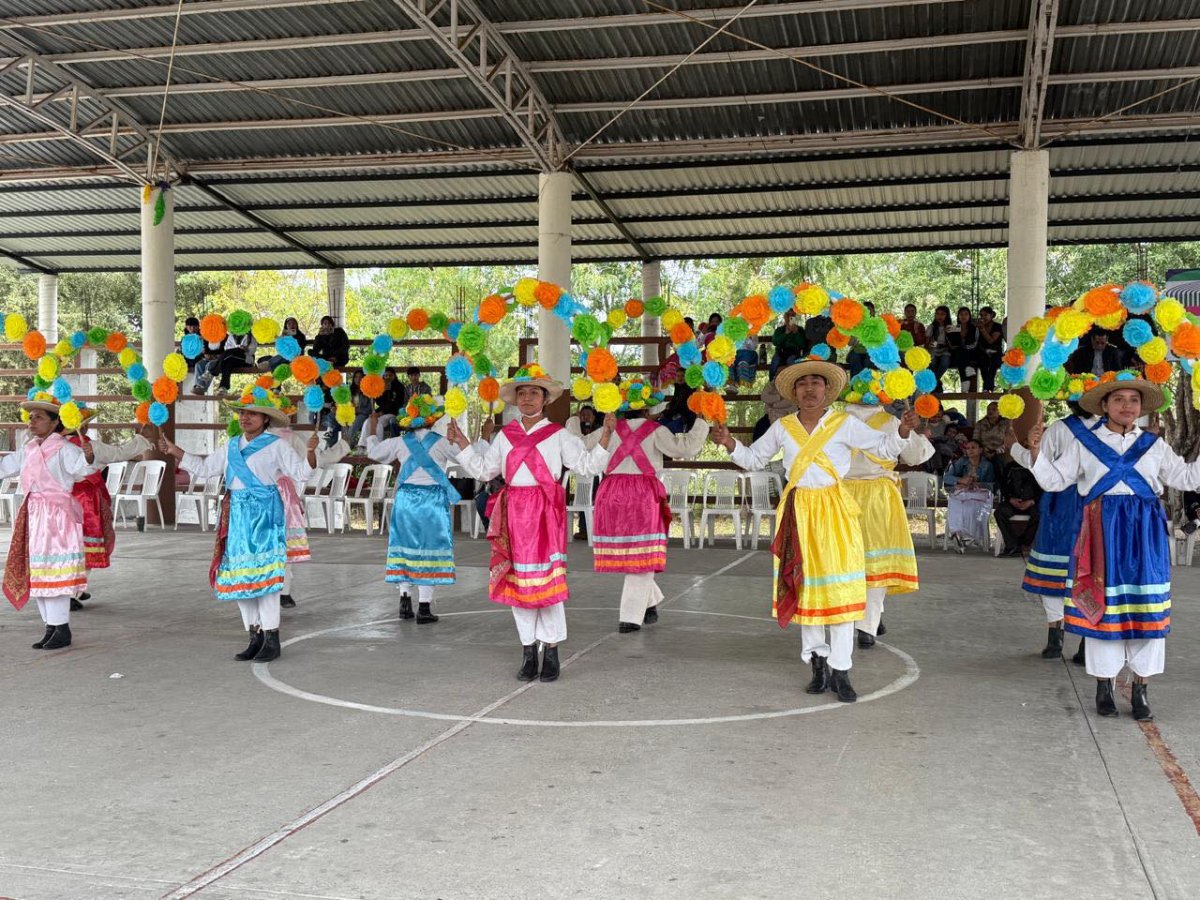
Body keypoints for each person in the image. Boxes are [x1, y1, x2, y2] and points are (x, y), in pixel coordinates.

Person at [712, 359, 921, 703]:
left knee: (840, 588)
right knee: (806, 588)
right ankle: (817, 663)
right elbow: (753, 459)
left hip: (836, 511)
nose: (809, 389)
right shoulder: (783, 426)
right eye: (803, 384)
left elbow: (883, 449)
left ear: (827, 390)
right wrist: (729, 442)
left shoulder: (844, 423)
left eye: (816, 383)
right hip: (798, 513)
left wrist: (901, 431)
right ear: (794, 392)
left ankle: (842, 670)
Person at [1018, 376, 1200, 720]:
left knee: (1146, 609)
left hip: (1145, 536)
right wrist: (1036, 452)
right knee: (1102, 608)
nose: (1127, 406)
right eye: (1119, 399)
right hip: (1101, 533)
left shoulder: (1153, 445)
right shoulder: (1084, 442)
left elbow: (1189, 478)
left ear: (1141, 407)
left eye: (1134, 400)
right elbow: (1055, 481)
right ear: (1104, 405)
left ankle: (1141, 690)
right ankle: (1104, 686)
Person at [446, 364, 613, 683]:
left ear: (545, 398)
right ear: (515, 399)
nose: (527, 398)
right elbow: (484, 471)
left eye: (534, 392)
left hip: (544, 515)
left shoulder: (560, 435)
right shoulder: (505, 436)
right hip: (513, 515)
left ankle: (551, 650)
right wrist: (464, 442)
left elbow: (586, 467)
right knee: (519, 583)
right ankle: (527, 650)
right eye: (522, 393)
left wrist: (605, 437)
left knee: (545, 584)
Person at [159, 389, 315, 662]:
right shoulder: (231, 445)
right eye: (242, 412)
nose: (245, 417)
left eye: (252, 413)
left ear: (265, 419)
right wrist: (174, 451)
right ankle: (254, 634)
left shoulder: (276, 445)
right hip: (237, 515)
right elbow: (206, 468)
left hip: (265, 515)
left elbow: (301, 472)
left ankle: (271, 637)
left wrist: (311, 453)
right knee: (240, 576)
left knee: (266, 578)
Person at [582, 381, 708, 632]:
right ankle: (630, 617)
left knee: (634, 553)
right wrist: (702, 421)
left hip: (611, 495)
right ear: (647, 409)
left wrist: (576, 421)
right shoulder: (656, 430)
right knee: (643, 553)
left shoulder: (609, 429)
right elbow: (684, 448)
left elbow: (583, 445)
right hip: (642, 496)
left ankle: (649, 602)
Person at [1008, 400, 1100, 662]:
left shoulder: (1061, 429)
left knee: (1055, 576)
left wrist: (1013, 446)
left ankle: (1055, 639)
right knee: (1089, 575)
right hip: (1093, 505)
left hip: (1062, 504)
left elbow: (1034, 461)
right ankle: (1086, 643)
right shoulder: (1109, 430)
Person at [2, 396, 96, 651]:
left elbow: (82, 469)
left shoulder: (64, 448)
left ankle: (61, 627)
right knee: (39, 570)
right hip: (35, 514)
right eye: (31, 417)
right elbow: (6, 466)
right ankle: (50, 627)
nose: (32, 421)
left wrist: (88, 457)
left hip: (57, 517)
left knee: (55, 569)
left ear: (55, 422)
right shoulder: (29, 449)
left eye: (39, 417)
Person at [842, 396, 934, 648]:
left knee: (846, 561)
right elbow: (917, 456)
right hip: (878, 497)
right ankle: (868, 626)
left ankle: (860, 618)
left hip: (841, 497)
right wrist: (921, 435)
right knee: (877, 562)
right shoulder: (890, 422)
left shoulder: (836, 421)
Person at [365, 396, 459, 626]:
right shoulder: (442, 442)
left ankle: (404, 600)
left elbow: (374, 453)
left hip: (406, 498)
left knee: (404, 547)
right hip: (432, 500)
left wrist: (372, 428)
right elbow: (466, 458)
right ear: (432, 420)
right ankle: (424, 607)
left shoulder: (399, 441)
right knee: (429, 549)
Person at [66, 408, 154, 610]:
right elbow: (120, 453)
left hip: (60, 502)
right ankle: (73, 590)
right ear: (84, 425)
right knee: (87, 547)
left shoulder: (54, 446)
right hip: (86, 502)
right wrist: (141, 438)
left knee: (67, 546)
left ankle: (70, 588)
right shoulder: (91, 446)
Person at [271, 405, 349, 610]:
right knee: (283, 546)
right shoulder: (290, 438)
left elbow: (311, 461)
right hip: (282, 497)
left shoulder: (286, 439)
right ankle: (283, 592)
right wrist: (342, 446)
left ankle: (276, 590)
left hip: (270, 498)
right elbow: (316, 460)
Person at [943, 438, 995, 552]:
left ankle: (966, 537)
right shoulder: (962, 462)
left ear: (980, 450)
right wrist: (960, 480)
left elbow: (992, 485)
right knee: (954, 500)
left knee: (972, 508)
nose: (970, 450)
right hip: (965, 493)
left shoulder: (987, 465)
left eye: (973, 448)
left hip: (981, 495)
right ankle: (958, 534)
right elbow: (946, 478)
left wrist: (978, 484)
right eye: (968, 448)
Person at [994, 461, 1042, 558]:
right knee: (1000, 512)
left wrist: (1032, 501)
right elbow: (1003, 486)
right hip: (1013, 502)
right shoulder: (1011, 466)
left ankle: (1023, 542)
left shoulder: (1040, 465)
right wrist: (1010, 499)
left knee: (1039, 515)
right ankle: (1012, 546)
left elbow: (1045, 488)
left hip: (1032, 502)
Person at [194, 331, 257, 395]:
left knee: (232, 353)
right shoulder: (231, 336)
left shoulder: (250, 336)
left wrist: (245, 349)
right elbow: (226, 348)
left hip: (245, 359)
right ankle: (223, 388)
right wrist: (236, 349)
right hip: (231, 359)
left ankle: (212, 372)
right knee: (227, 363)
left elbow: (253, 350)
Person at [947, 306, 978, 391]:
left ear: (969, 316)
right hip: (957, 354)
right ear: (958, 316)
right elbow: (952, 345)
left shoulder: (974, 328)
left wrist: (964, 346)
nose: (963, 316)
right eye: (961, 314)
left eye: (966, 314)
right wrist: (948, 333)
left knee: (962, 352)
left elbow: (975, 343)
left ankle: (964, 381)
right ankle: (967, 373)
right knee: (959, 352)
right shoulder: (954, 328)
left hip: (971, 352)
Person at [770, 309, 807, 377]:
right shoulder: (779, 330)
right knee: (775, 361)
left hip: (794, 353)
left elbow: (803, 344)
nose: (790, 317)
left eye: (792, 315)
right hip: (780, 353)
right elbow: (775, 342)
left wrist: (796, 333)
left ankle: (791, 381)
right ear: (785, 317)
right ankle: (772, 381)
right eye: (788, 315)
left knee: (791, 361)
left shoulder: (800, 330)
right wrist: (785, 334)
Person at [976, 306, 1005, 392]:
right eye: (981, 315)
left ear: (991, 315)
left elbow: (991, 340)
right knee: (983, 364)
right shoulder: (978, 328)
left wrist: (983, 330)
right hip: (983, 351)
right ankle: (987, 386)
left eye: (985, 315)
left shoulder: (997, 326)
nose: (983, 318)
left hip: (996, 351)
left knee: (994, 363)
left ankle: (988, 386)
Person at [926, 305, 953, 388]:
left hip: (946, 350)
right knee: (932, 363)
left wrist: (947, 333)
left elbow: (953, 343)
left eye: (942, 314)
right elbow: (927, 343)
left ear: (947, 315)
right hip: (933, 350)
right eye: (937, 314)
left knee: (945, 362)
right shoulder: (932, 327)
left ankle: (933, 383)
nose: (939, 316)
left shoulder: (950, 327)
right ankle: (936, 384)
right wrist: (930, 344)